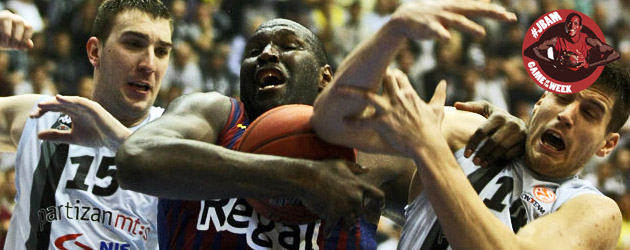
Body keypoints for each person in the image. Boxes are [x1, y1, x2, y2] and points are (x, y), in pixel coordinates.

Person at [116, 2, 522, 249]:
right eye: (255, 50)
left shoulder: (370, 153)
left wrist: (505, 139)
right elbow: (136, 159)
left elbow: (460, 209)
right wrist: (301, 178)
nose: (268, 54)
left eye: (288, 47)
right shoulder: (215, 114)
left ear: (326, 79)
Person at [313, 2, 626, 249]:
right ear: (541, 99)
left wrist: (428, 149)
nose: (567, 114)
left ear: (607, 144)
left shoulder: (593, 209)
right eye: (561, 97)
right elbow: (333, 123)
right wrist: (394, 31)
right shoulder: (468, 131)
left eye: (590, 112)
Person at [0, 0, 173, 248]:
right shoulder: (42, 116)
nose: (149, 64)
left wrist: (123, 142)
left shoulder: (176, 137)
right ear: (95, 51)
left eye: (161, 51)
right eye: (134, 44)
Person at [528, 13, 619, 71]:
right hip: (561, 78)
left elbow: (614, 54)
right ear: (565, 25)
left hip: (583, 79)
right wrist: (553, 62)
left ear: (580, 27)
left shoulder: (588, 40)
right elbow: (531, 50)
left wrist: (590, 65)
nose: (571, 26)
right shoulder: (556, 40)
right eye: (569, 23)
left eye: (575, 23)